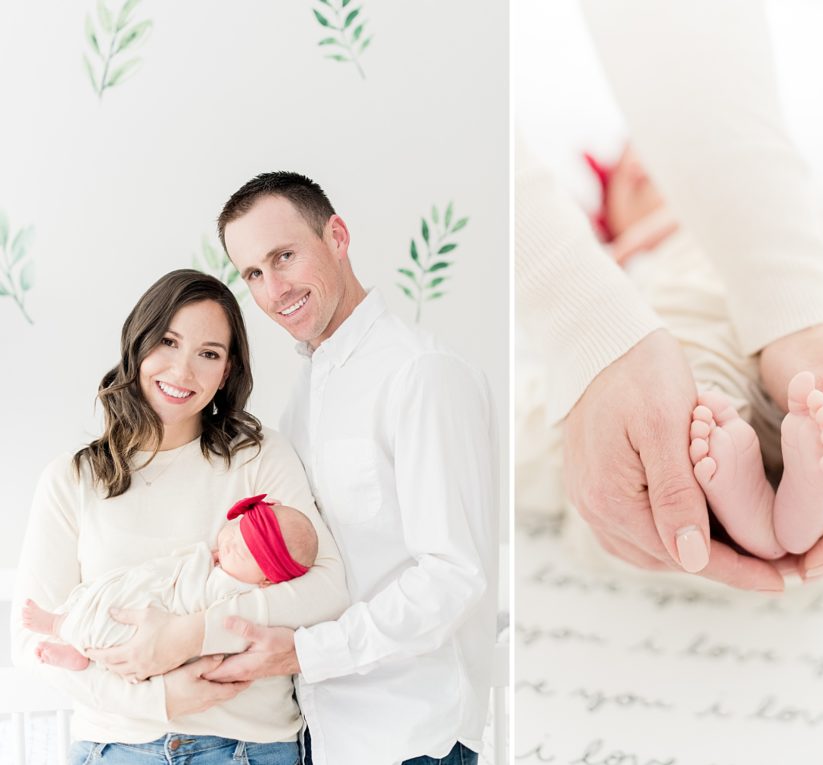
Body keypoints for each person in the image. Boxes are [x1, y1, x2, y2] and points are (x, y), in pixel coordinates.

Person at [516, 0, 823, 588]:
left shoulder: (733, 226)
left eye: (658, 159)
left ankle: (796, 494)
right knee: (592, 415)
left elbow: (817, 242)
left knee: (731, 384)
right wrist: (594, 303)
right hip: (650, 411)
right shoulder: (619, 256)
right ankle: (786, 500)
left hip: (745, 366)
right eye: (631, 179)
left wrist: (803, 302)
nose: (652, 173)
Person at [85, 174, 498, 765]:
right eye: (253, 273)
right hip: (317, 735)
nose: (274, 288)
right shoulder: (305, 398)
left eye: (284, 256)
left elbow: (453, 576)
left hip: (411, 736)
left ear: (337, 236)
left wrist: (306, 652)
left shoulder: (422, 375)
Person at [11, 270, 349, 764]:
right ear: (139, 341)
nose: (183, 372)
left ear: (228, 370)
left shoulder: (259, 456)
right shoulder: (72, 478)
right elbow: (32, 638)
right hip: (116, 746)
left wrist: (191, 635)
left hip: (248, 748)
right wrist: (158, 699)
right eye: (168, 342)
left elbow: (328, 591)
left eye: (208, 354)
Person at [22, 494, 318, 672]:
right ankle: (74, 637)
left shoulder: (238, 592)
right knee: (100, 594)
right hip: (147, 590)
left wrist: (204, 561)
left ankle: (61, 630)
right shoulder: (226, 569)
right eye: (237, 531)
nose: (231, 544)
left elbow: (198, 602)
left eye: (247, 551)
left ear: (266, 581)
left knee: (114, 621)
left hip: (161, 617)